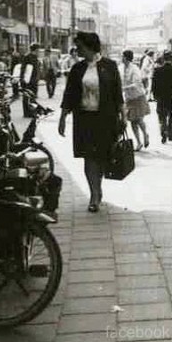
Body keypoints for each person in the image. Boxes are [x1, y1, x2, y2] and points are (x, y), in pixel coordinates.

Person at [58, 32, 126, 213]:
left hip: (105, 118)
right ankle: (94, 194)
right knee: (88, 157)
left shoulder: (109, 66)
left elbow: (117, 93)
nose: (76, 49)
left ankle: (98, 187)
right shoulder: (77, 69)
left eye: (79, 46)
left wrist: (123, 115)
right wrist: (63, 117)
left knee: (102, 157)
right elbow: (69, 94)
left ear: (89, 46)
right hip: (84, 119)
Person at [120, 49, 150, 150]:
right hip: (129, 98)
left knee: (139, 119)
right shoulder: (121, 68)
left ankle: (145, 134)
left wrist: (124, 88)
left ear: (126, 58)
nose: (121, 58)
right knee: (132, 121)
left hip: (137, 96)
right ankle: (139, 142)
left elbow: (137, 83)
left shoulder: (134, 69)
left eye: (122, 56)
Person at [152, 51, 172, 143]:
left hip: (161, 98)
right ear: (171, 59)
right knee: (171, 116)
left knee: (162, 116)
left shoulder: (157, 70)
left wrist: (155, 96)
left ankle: (163, 130)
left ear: (163, 59)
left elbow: (154, 85)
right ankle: (171, 135)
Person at [20, 43, 42, 117]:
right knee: (27, 96)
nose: (39, 52)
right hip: (28, 81)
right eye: (38, 50)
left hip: (34, 81)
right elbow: (23, 69)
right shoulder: (27, 57)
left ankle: (31, 111)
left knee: (33, 96)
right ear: (35, 50)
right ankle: (27, 112)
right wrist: (22, 79)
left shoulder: (35, 58)